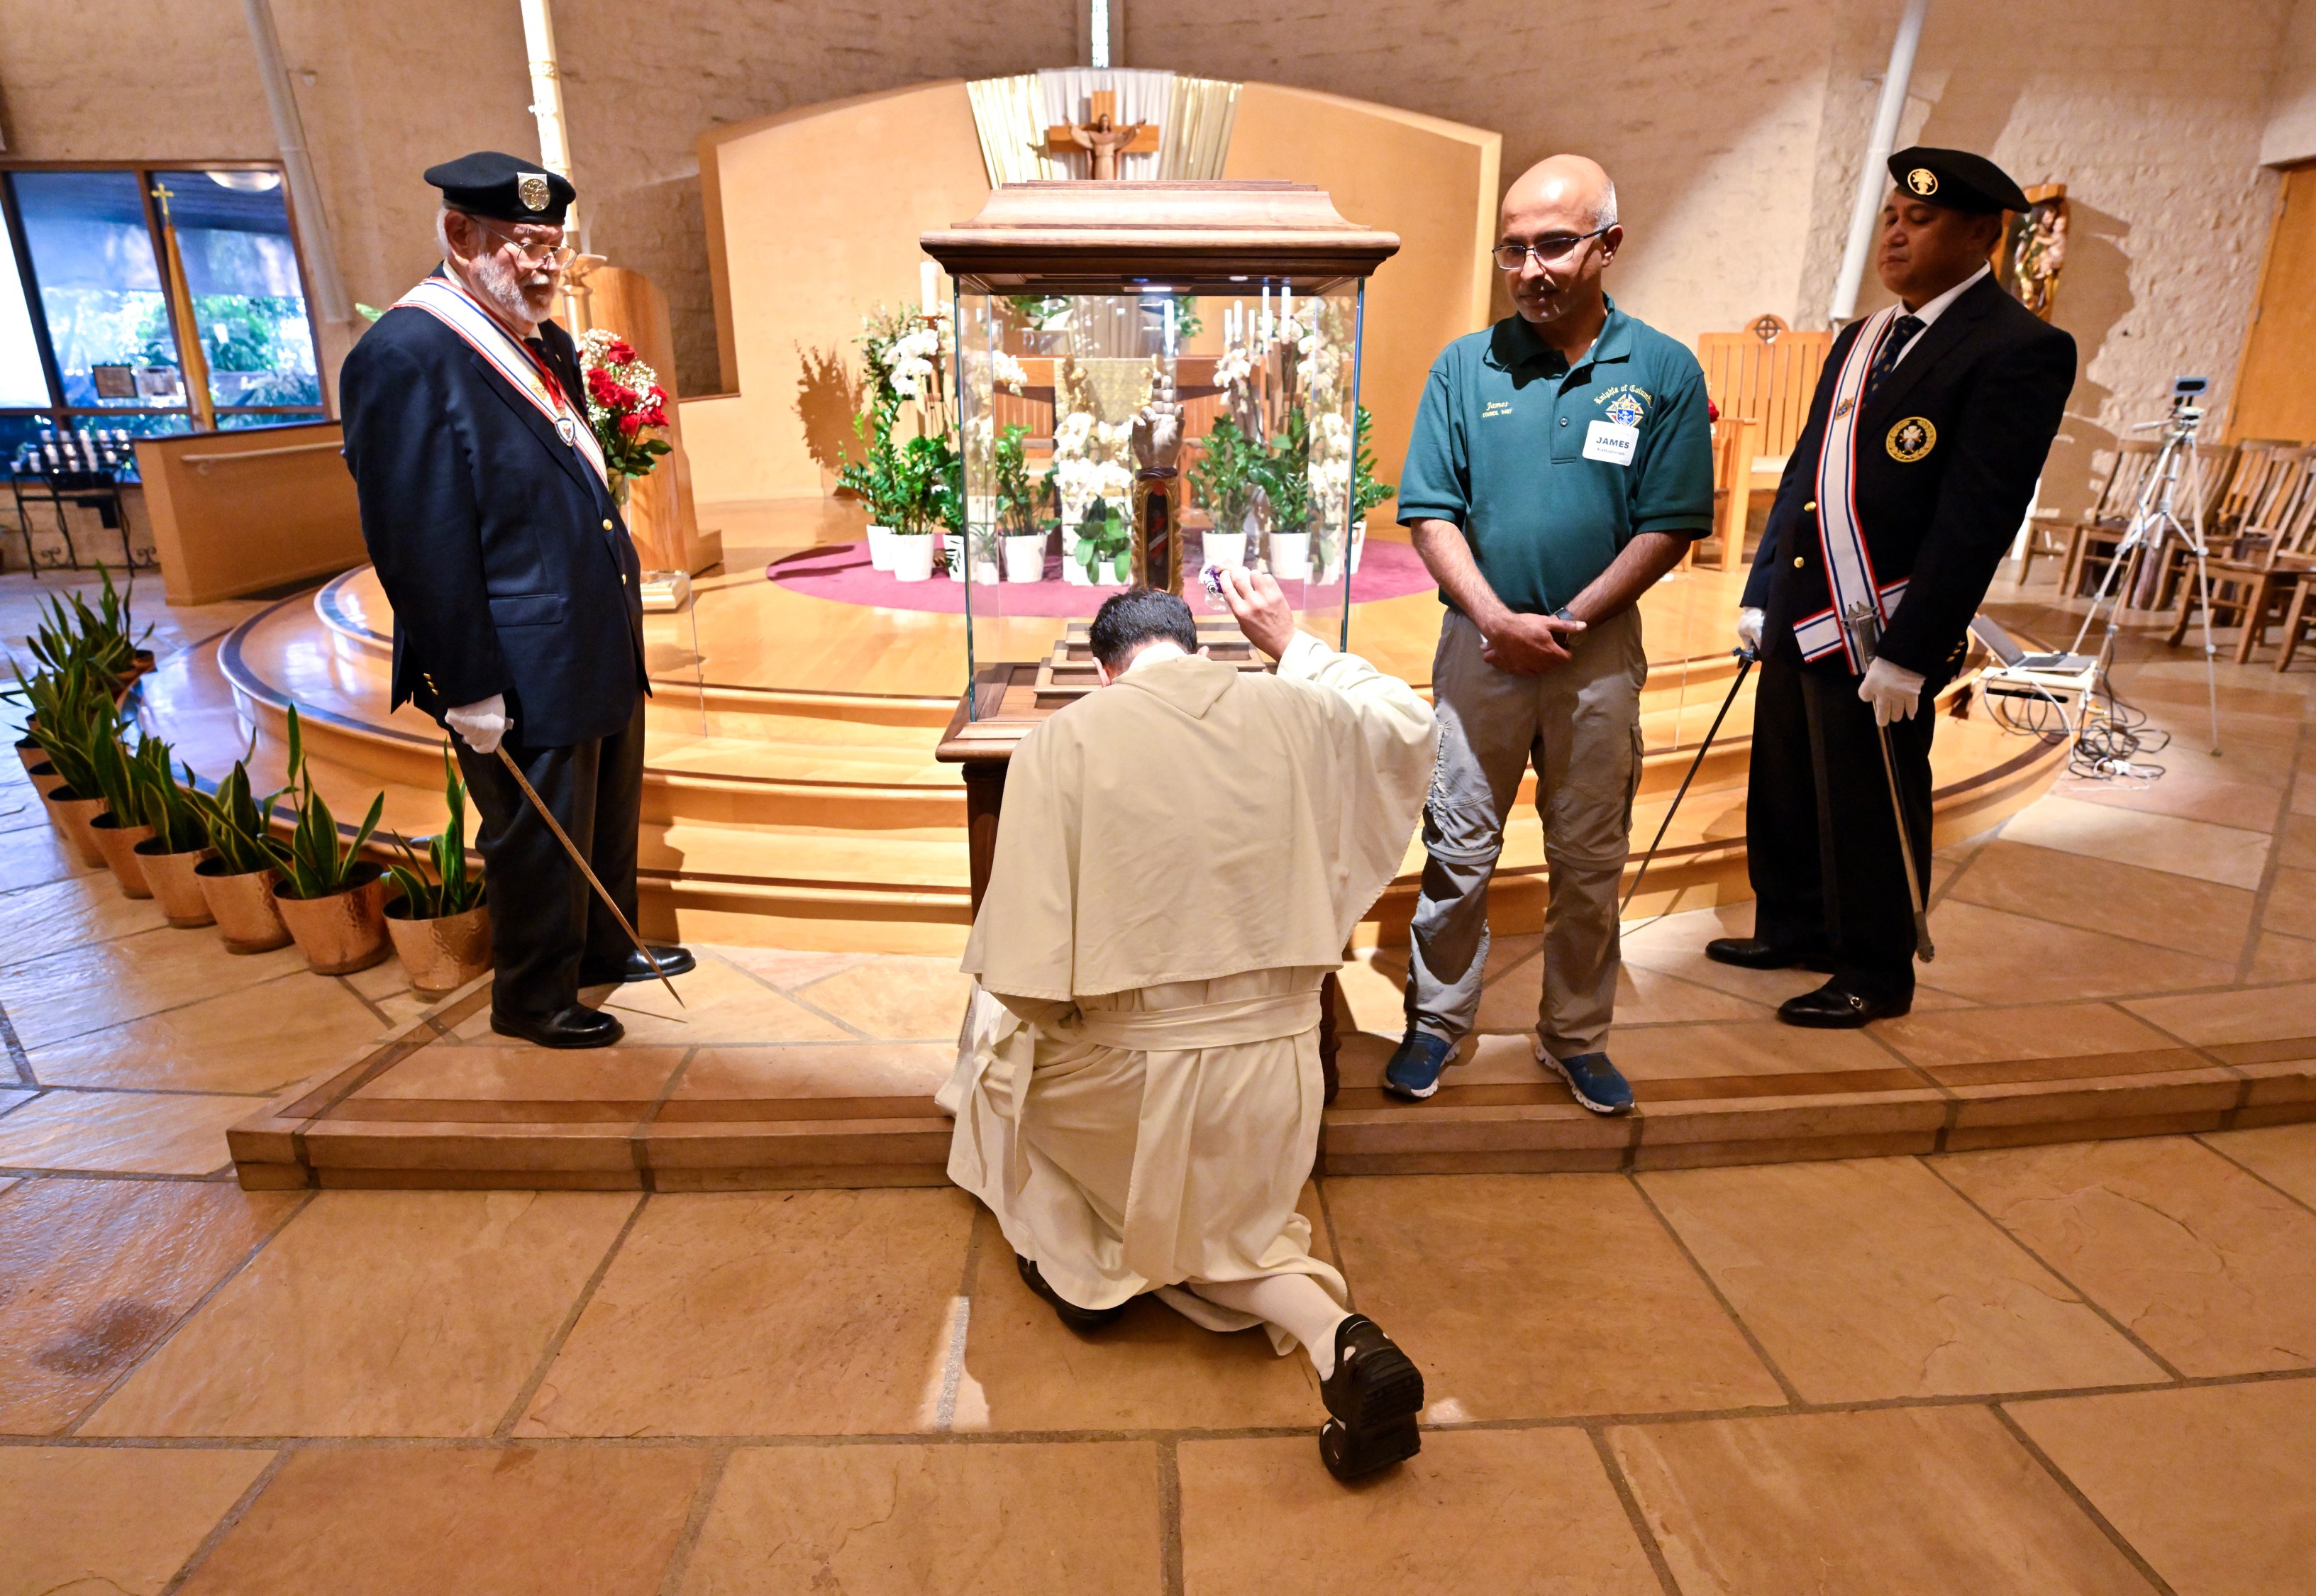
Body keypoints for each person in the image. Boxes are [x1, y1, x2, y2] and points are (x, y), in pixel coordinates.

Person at [940, 577, 1439, 1480]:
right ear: (1199, 648)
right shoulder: (1300, 709)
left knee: (994, 1046)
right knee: (1227, 1230)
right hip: (1284, 1071)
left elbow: (1024, 975)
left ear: (1104, 670)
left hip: (1132, 1082)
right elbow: (1406, 723)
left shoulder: (1066, 739)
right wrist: (1292, 640)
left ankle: (1083, 1275)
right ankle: (1339, 1339)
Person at [1710, 147, 2075, 1025]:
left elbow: (1976, 516)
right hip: (1807, 606)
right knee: (1788, 780)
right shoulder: (1864, 337)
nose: (1897, 234)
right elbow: (1806, 473)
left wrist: (1913, 654)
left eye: (1922, 220)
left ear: (1983, 234)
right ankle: (1792, 923)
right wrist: (1762, 592)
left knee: (1868, 797)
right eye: (1891, 217)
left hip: (1885, 623)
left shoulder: (2020, 347)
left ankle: (1873, 970)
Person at [1380, 154, 1715, 1111]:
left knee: (1587, 857)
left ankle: (1573, 1034)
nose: (1531, 268)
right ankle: (1436, 1021)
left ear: (1607, 244)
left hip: (1595, 657)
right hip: (1479, 652)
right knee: (1456, 849)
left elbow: (1671, 522)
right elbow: (1430, 510)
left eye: (1554, 245)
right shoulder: (1464, 366)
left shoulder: (1660, 370)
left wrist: (1567, 620)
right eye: (1513, 248)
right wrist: (1494, 617)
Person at [339, 151, 693, 1049]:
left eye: (554, 244)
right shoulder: (407, 354)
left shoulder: (546, 344)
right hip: (514, 652)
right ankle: (534, 997)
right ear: (460, 236)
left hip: (589, 633)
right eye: (524, 245)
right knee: (538, 834)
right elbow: (417, 536)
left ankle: (603, 949)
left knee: (604, 806)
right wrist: (467, 683)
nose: (545, 265)